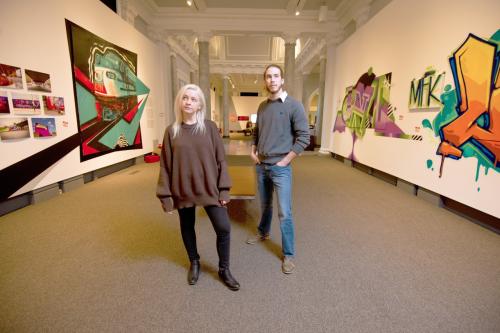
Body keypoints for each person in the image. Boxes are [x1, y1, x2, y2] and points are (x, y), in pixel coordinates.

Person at [157, 84, 240, 291]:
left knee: (223, 227)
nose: (188, 102)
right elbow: (165, 166)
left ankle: (224, 269)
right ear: (180, 101)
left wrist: (224, 189)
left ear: (200, 104)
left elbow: (221, 160)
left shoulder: (210, 128)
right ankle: (194, 262)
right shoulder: (171, 131)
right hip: (182, 189)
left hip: (209, 188)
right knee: (187, 226)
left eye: (194, 99)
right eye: (185, 97)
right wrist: (165, 196)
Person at [247, 64, 310, 274]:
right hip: (261, 165)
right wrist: (253, 150)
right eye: (268, 77)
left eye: (276, 76)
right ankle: (263, 232)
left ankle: (289, 254)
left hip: (281, 168)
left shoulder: (294, 106)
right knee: (265, 206)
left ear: (282, 80)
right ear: (265, 81)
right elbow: (257, 131)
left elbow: (304, 138)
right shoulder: (262, 106)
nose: (272, 80)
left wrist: (284, 161)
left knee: (285, 212)